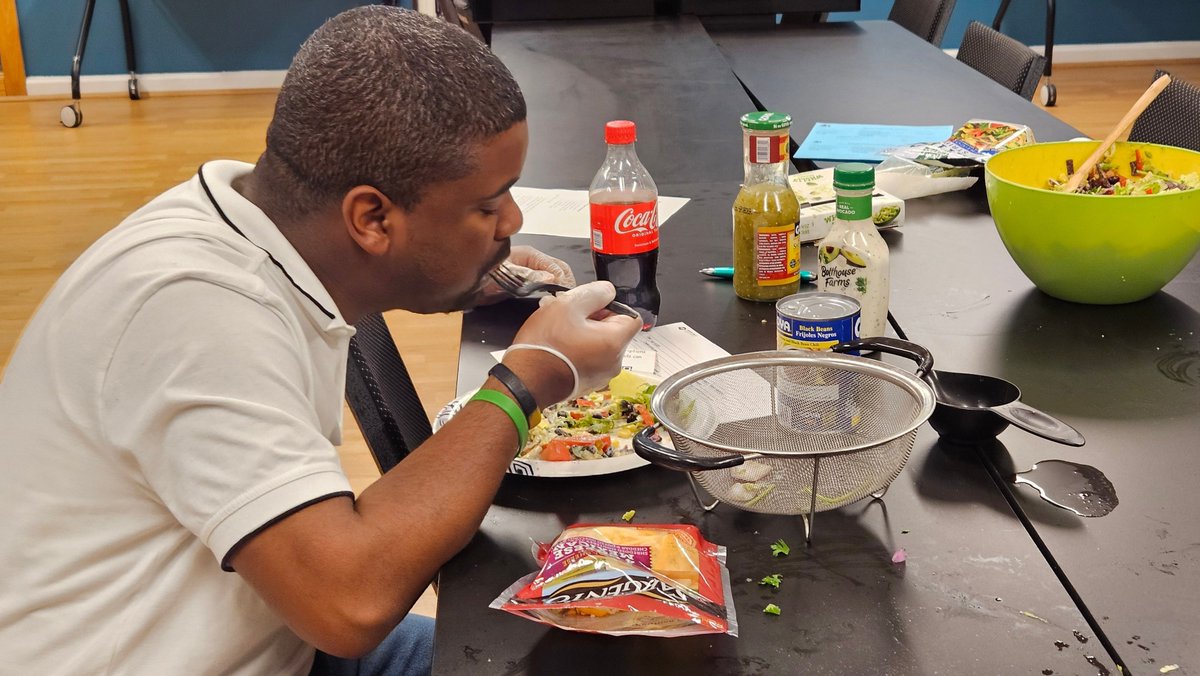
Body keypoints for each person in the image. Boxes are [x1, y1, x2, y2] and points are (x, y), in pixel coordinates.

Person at [0, 7, 640, 675]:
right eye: (486, 205)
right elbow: (349, 604)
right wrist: (528, 376)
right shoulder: (197, 313)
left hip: (269, 638)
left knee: (593, 652)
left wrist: (466, 270)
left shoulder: (263, 228)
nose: (513, 218)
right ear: (372, 218)